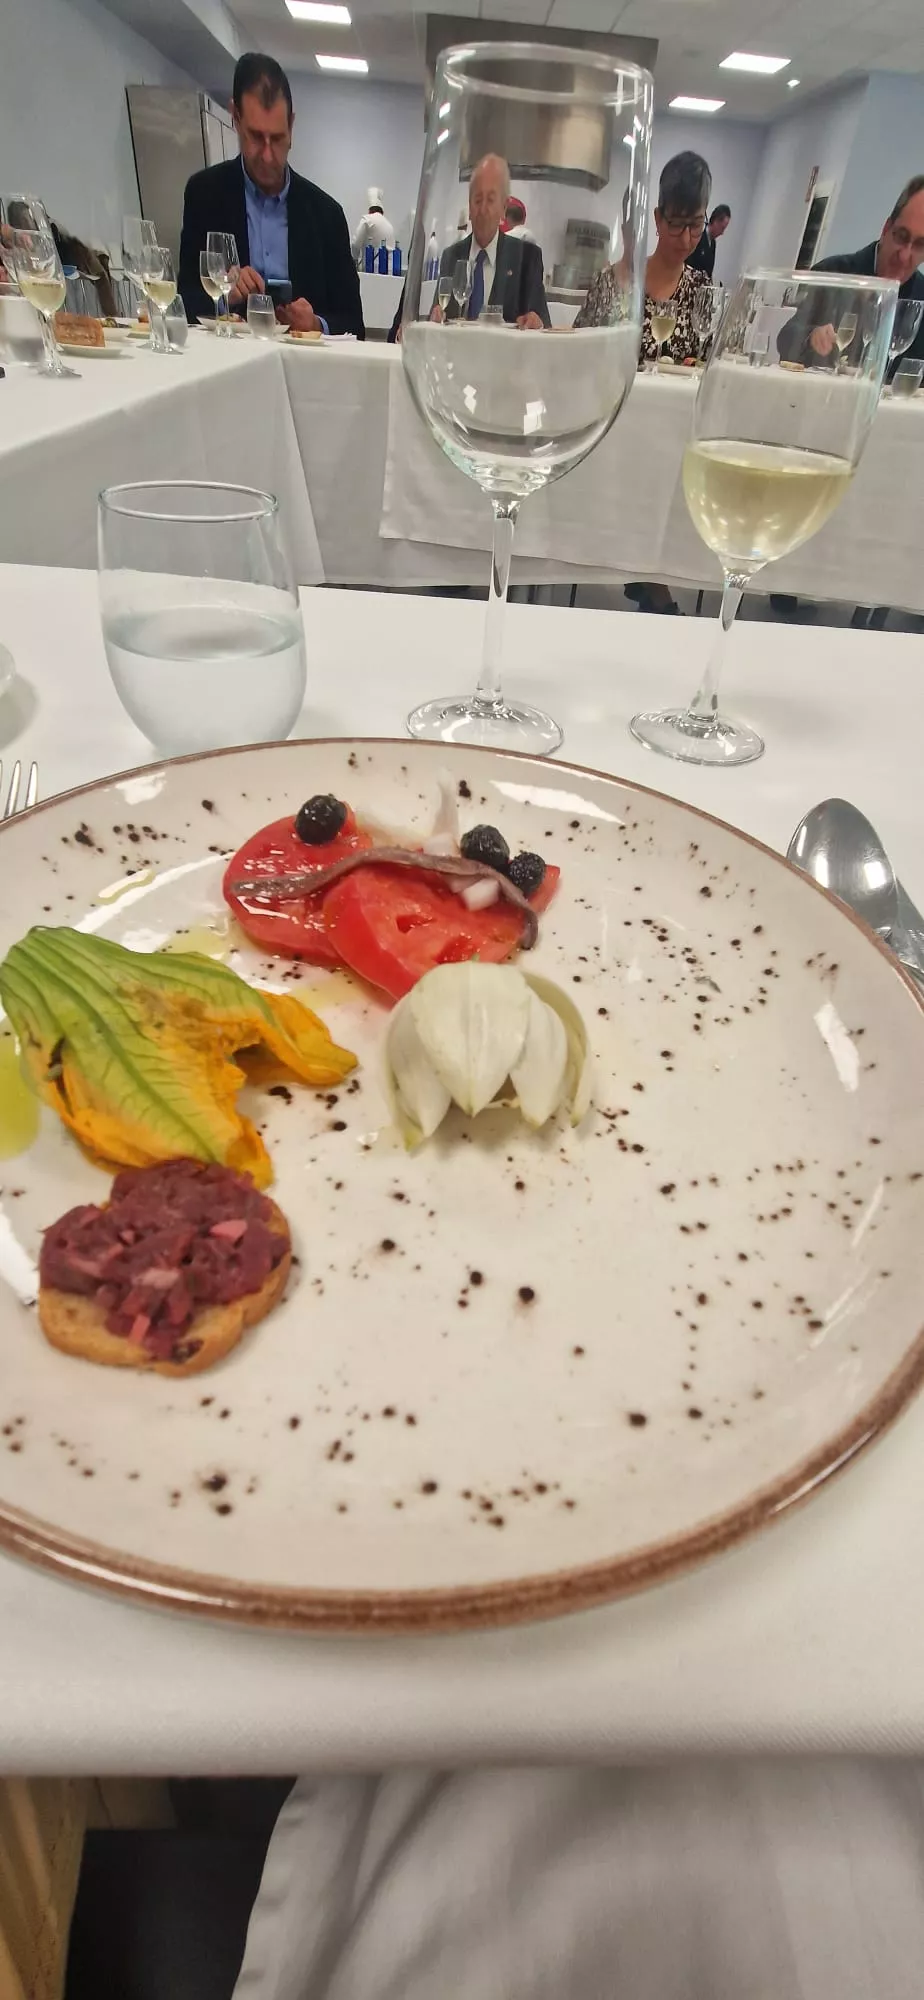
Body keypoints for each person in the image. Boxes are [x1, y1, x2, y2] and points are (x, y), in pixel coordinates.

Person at [575, 151, 712, 611]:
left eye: (697, 225)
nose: (688, 237)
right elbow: (580, 355)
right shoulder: (613, 283)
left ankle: (656, 574)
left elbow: (711, 362)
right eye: (677, 225)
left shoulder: (701, 290)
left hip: (672, 439)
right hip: (614, 434)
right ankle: (648, 580)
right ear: (657, 218)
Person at [178, 51, 363, 337]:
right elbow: (183, 303)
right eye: (255, 137)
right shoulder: (204, 194)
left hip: (302, 373)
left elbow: (354, 324)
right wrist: (224, 292)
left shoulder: (327, 215)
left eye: (277, 139)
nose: (266, 155)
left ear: (291, 125)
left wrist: (315, 324)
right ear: (235, 119)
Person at [777, 174, 924, 374]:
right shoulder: (832, 272)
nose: (905, 255)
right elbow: (787, 338)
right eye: (901, 237)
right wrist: (811, 336)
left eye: (919, 245)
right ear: (886, 228)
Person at [438, 155, 550, 328]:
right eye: (477, 200)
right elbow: (439, 313)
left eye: (490, 200)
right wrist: (436, 315)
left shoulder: (526, 258)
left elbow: (544, 325)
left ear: (504, 209)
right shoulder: (451, 256)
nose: (483, 210)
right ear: (469, 207)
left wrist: (537, 322)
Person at [351, 187, 396, 264]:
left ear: (369, 210)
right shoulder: (389, 225)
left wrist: (353, 260)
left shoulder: (367, 219)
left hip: (371, 269)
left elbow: (356, 244)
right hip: (390, 269)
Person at [687, 202, 730, 279]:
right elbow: (687, 266)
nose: (722, 233)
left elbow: (709, 271)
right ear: (715, 221)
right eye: (722, 228)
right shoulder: (697, 236)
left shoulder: (713, 243)